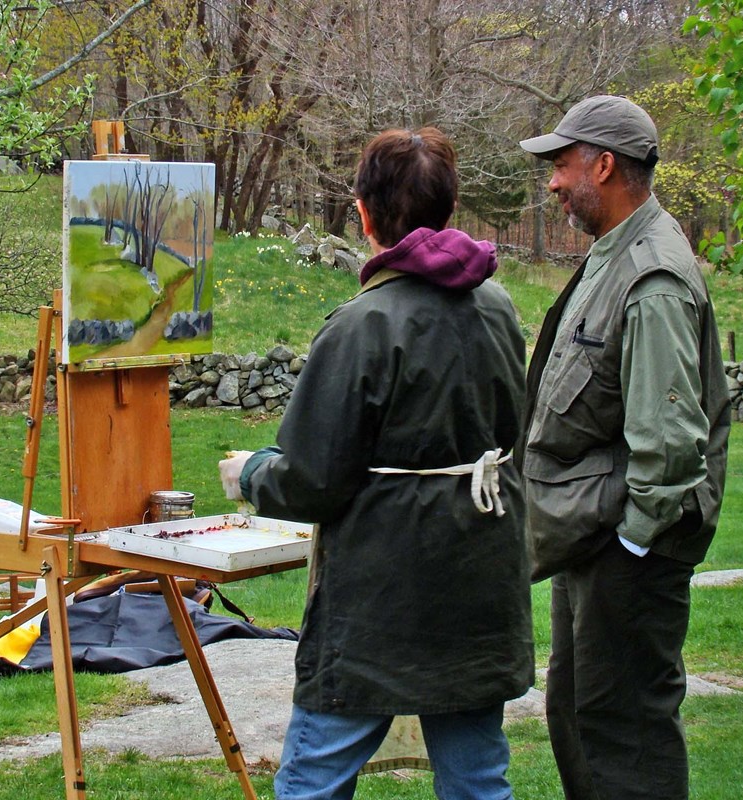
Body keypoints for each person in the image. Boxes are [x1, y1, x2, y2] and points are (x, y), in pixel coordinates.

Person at [219, 127, 533, 800]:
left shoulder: (362, 325)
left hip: (381, 599)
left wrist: (249, 474)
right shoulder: (499, 309)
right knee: (478, 780)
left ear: (363, 212)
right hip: (478, 576)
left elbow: (311, 479)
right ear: (447, 209)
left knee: (314, 779)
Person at [517, 95, 731, 800]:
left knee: (624, 732)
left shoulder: (652, 277)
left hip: (628, 548)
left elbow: (669, 446)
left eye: (561, 164)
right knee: (581, 718)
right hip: (596, 538)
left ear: (603, 165)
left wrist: (632, 547)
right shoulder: (615, 254)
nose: (551, 182)